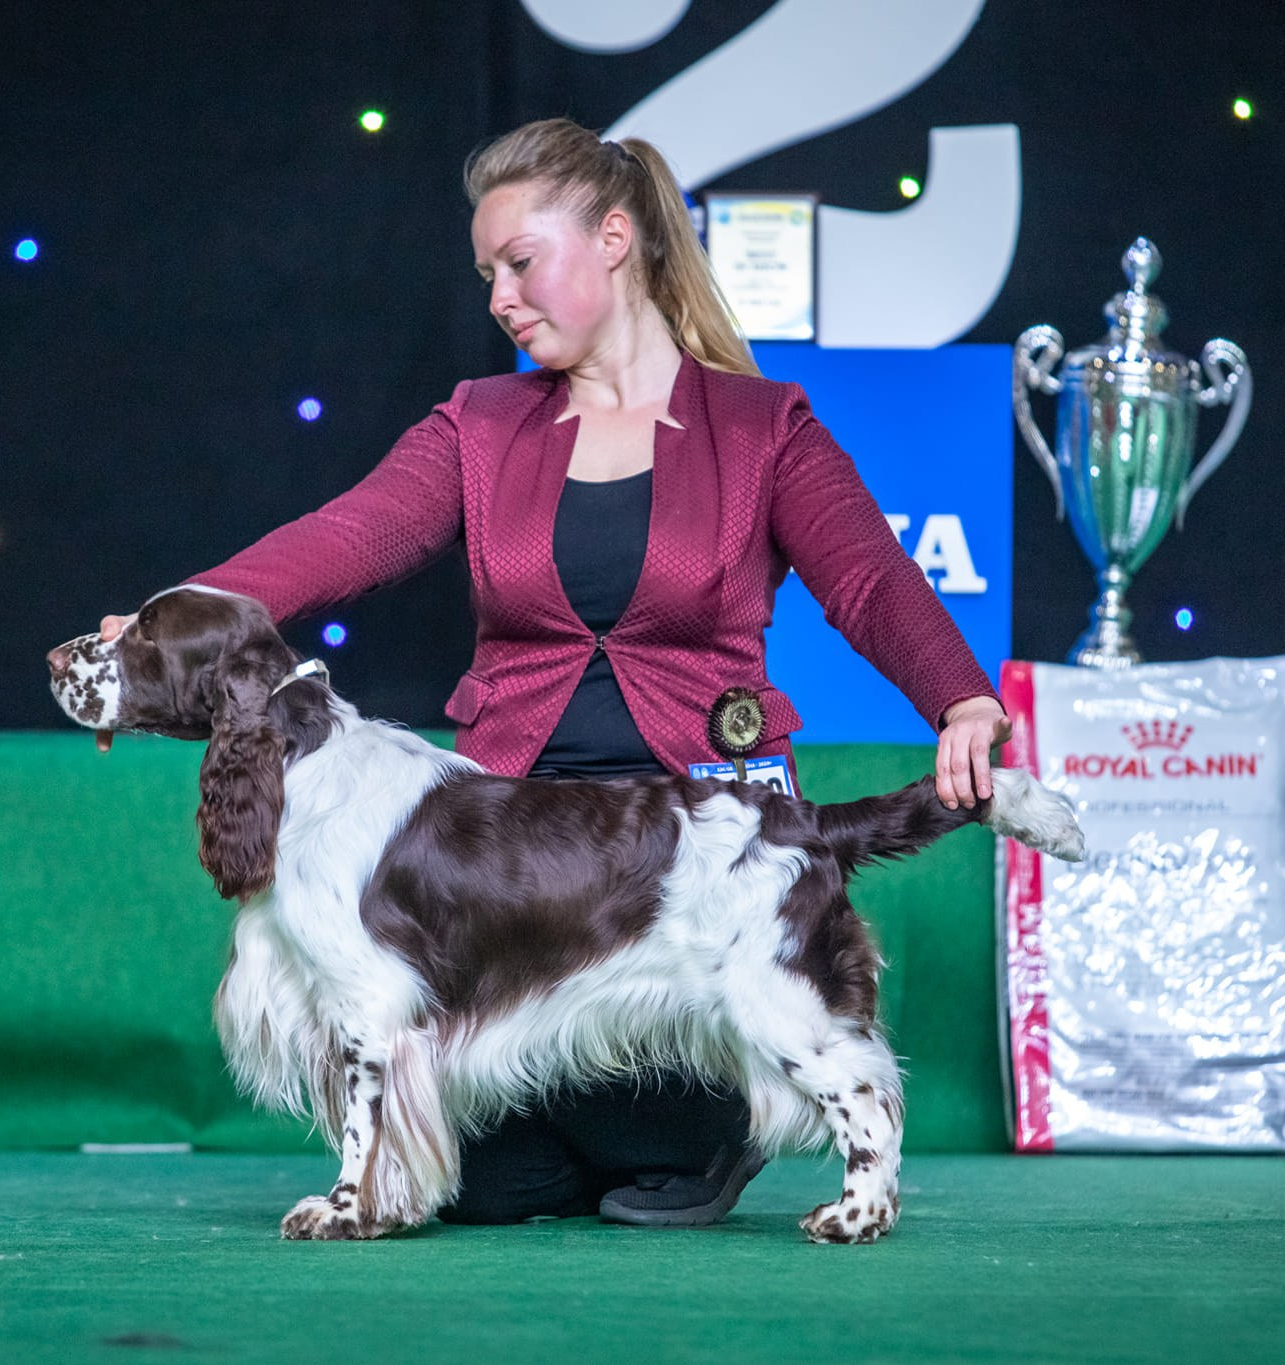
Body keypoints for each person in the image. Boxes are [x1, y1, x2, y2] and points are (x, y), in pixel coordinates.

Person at [100, 118, 1012, 1227]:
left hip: (681, 860)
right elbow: (351, 533)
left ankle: (700, 1136)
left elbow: (870, 580)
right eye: (488, 273)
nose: (499, 295)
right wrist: (176, 614)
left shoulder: (762, 427)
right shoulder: (481, 426)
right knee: (488, 1183)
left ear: (616, 239)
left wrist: (960, 696)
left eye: (520, 263)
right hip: (513, 872)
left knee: (658, 1169)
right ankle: (556, 1130)